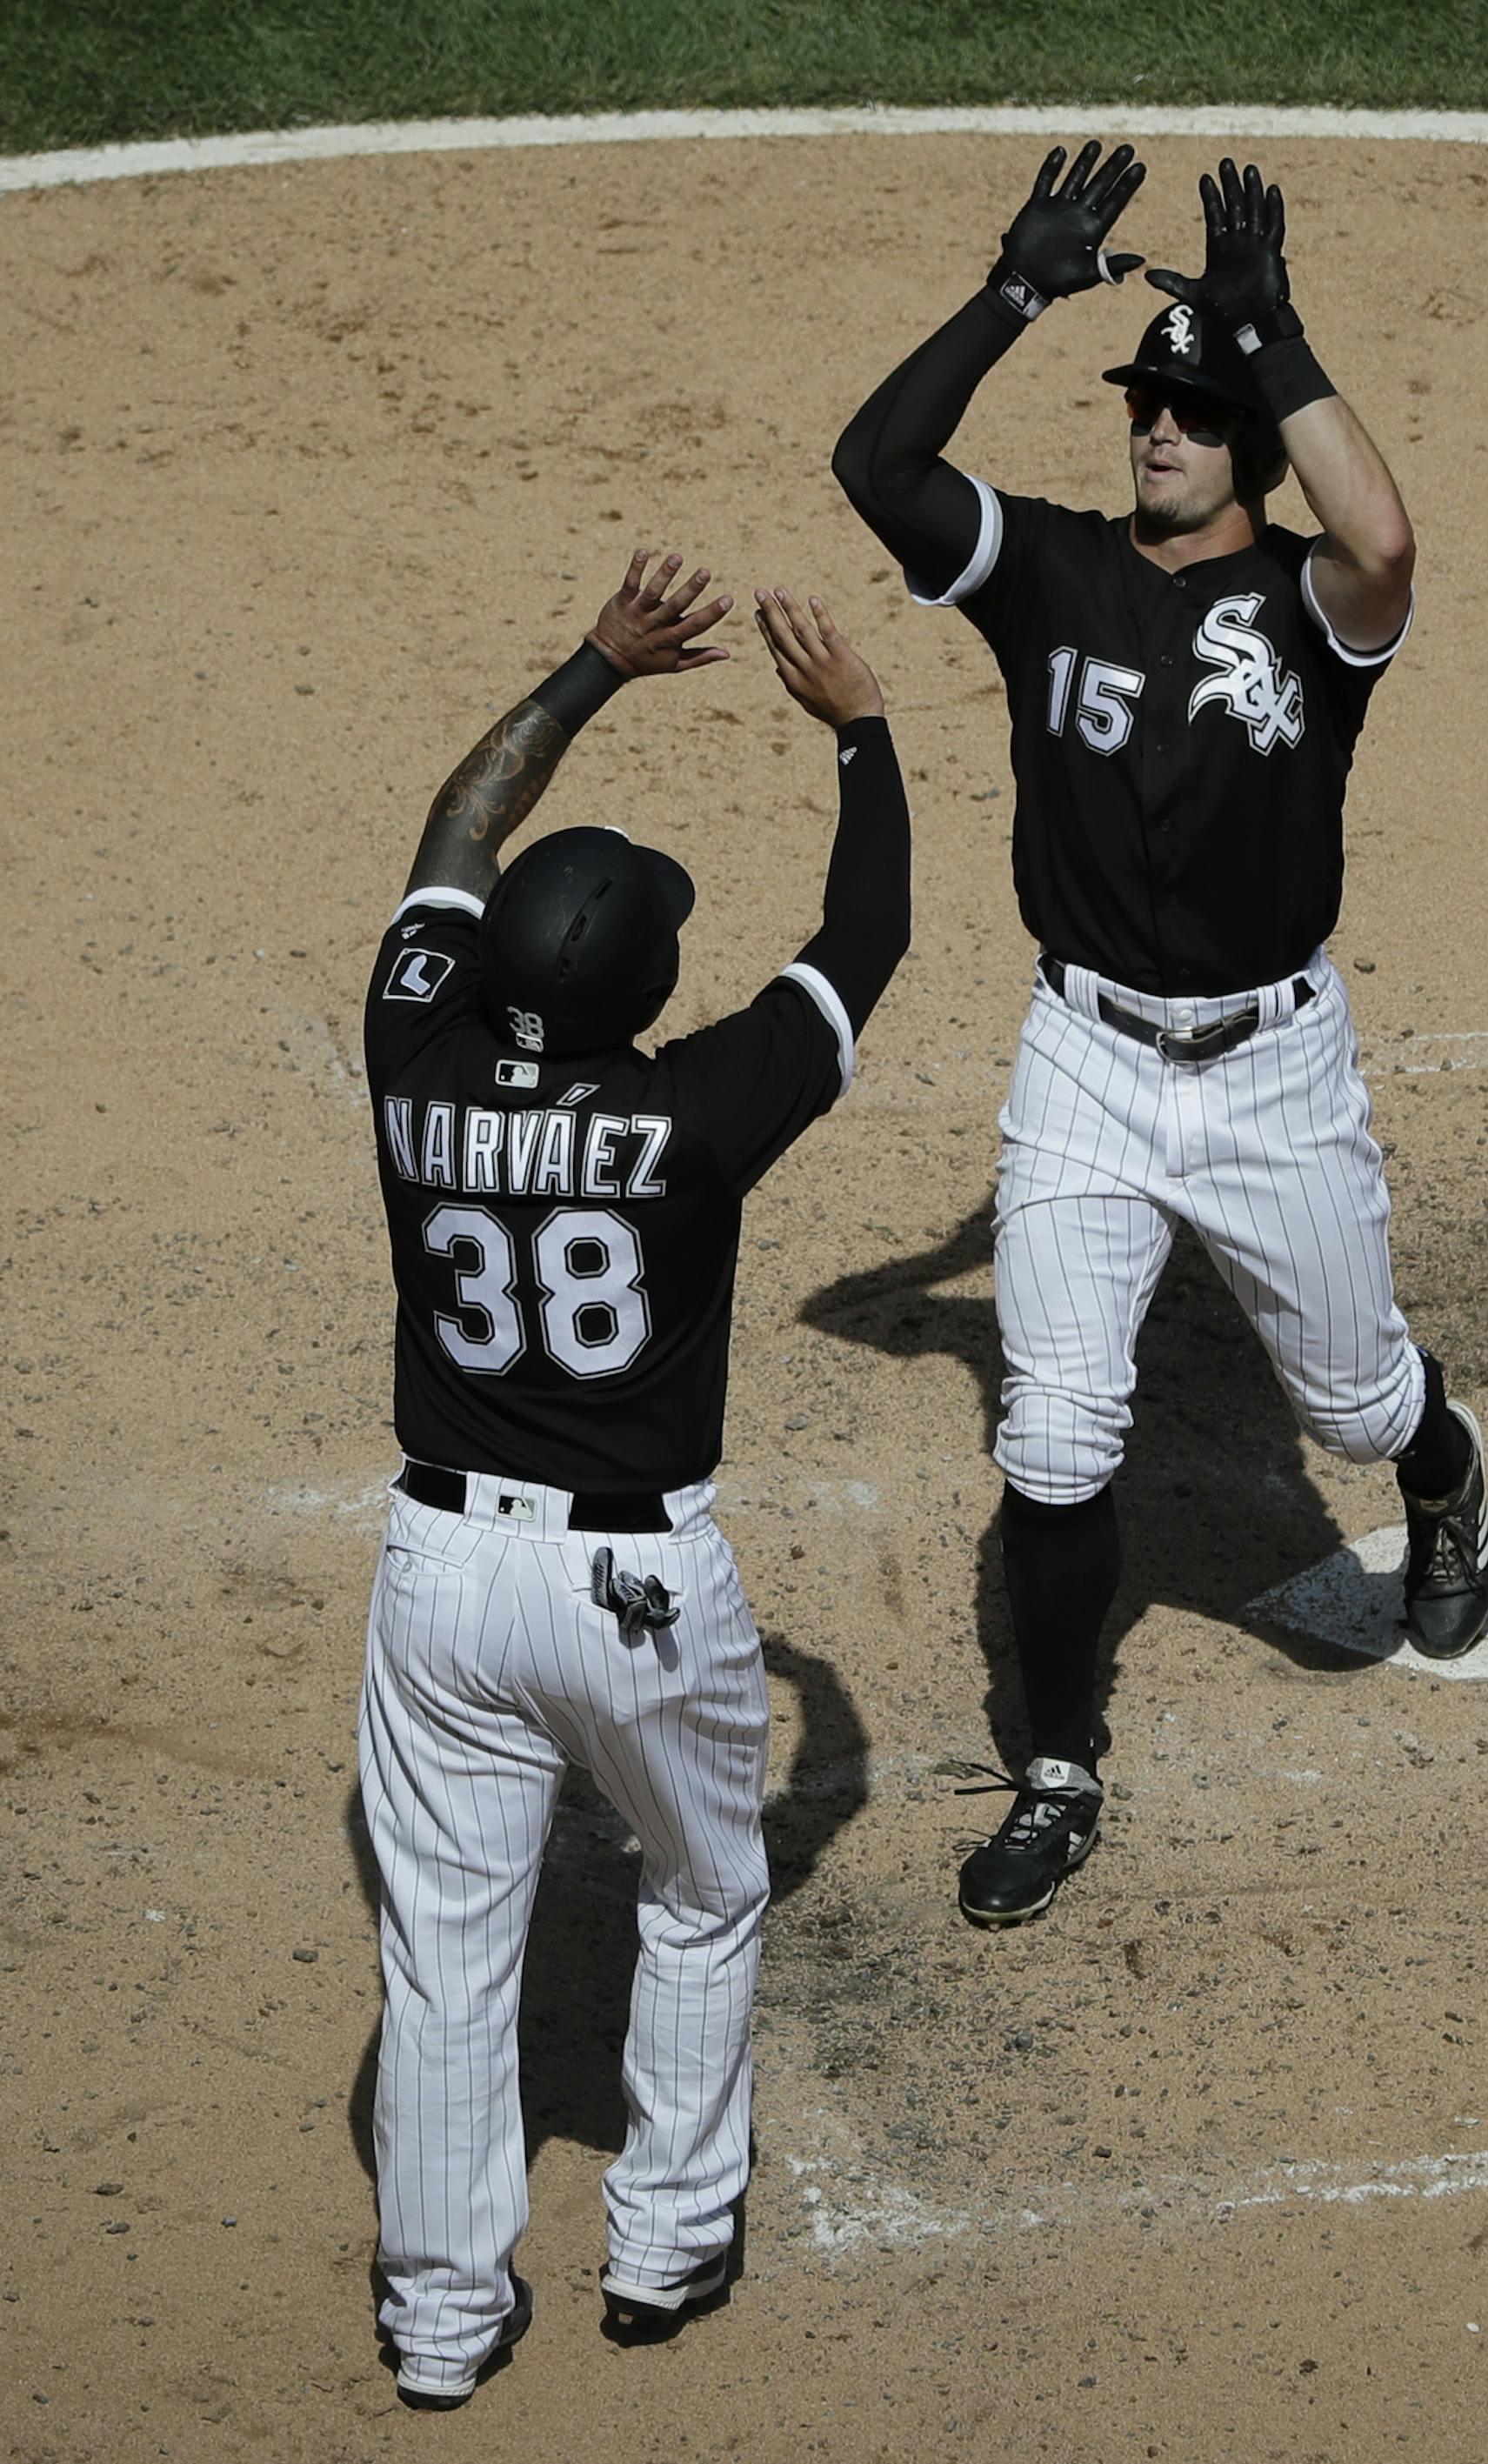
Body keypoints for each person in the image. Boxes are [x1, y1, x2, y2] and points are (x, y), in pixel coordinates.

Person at [833, 144, 1488, 1930]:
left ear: (1251, 440)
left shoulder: (1314, 608)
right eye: (1150, 406)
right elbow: (876, 468)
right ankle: (1061, 1769)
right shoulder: (1046, 571)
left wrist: (1270, 329)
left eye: (1197, 414)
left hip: (1276, 1068)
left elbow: (1391, 539)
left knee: (1355, 1401)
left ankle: (1447, 1474)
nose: (1160, 431)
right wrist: (1016, 292)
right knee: (1053, 1441)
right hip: (1088, 1068)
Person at [357, 549, 909, 2406]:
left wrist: (592, 664)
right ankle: (666, 2241)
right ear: (653, 985)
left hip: (439, 1576)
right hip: (635, 1590)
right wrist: (863, 743)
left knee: (444, 1955)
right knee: (699, 1885)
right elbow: (861, 952)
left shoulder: (411, 1042)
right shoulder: (689, 1115)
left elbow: (457, 813)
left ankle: (441, 2322)